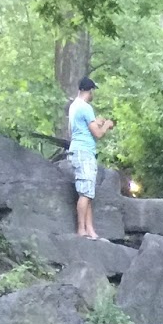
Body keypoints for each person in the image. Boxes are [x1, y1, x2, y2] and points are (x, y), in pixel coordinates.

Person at [67, 77, 114, 240]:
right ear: (90, 90)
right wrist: (107, 124)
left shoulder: (74, 106)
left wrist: (97, 122)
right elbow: (98, 134)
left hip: (78, 150)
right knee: (85, 193)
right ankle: (81, 230)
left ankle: (90, 230)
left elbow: (84, 127)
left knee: (87, 192)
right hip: (84, 152)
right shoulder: (85, 107)